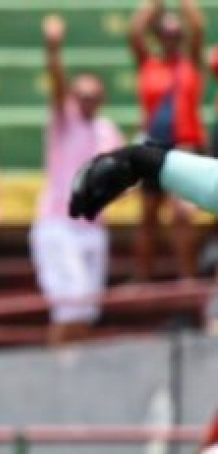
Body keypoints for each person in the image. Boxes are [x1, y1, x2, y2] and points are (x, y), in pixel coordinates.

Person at [31, 15, 125, 345]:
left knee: (86, 312)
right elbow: (56, 82)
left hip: (93, 229)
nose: (85, 100)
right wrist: (53, 49)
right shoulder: (64, 121)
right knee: (69, 310)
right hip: (60, 225)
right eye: (80, 94)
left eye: (92, 95)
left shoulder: (107, 131)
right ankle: (54, 372)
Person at [128, 0, 205, 280]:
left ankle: (188, 277)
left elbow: (198, 27)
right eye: (166, 34)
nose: (171, 39)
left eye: (176, 34)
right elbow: (134, 32)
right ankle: (143, 278)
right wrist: (153, 5)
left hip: (184, 146)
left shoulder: (190, 63)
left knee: (182, 214)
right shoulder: (149, 64)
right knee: (148, 214)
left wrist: (186, 4)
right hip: (154, 145)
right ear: (158, 37)